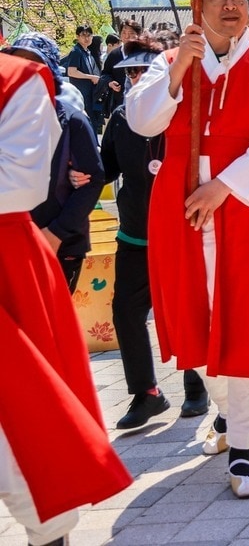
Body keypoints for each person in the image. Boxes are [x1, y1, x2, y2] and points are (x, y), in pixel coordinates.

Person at [126, 0, 249, 499]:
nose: (232, 5)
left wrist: (222, 186)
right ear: (195, 8)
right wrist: (178, 67)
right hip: (180, 210)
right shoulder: (169, 63)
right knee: (195, 316)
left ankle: (245, 447)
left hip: (244, 209)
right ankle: (225, 410)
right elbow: (142, 119)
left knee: (246, 319)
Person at [0, 43, 132, 546]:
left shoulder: (18, 81)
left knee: (23, 420)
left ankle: (47, 534)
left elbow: (19, 182)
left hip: (8, 264)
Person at [94, 37, 211, 430]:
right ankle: (145, 393)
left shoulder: (186, 112)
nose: (139, 77)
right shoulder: (123, 118)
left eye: (145, 70)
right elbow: (105, 169)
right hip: (135, 231)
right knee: (125, 311)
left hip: (180, 227)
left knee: (184, 308)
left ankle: (196, 386)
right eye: (131, 73)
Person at [3, 34, 103, 293]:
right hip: (11, 242)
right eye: (18, 63)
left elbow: (93, 181)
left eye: (35, 65)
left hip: (60, 243)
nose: (26, 72)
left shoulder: (72, 121)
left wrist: (56, 233)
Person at [62, 25, 101, 123]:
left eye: (89, 35)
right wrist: (91, 77)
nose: (86, 38)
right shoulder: (76, 52)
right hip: (80, 94)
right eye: (83, 35)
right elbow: (72, 72)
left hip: (89, 94)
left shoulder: (87, 52)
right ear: (77, 37)